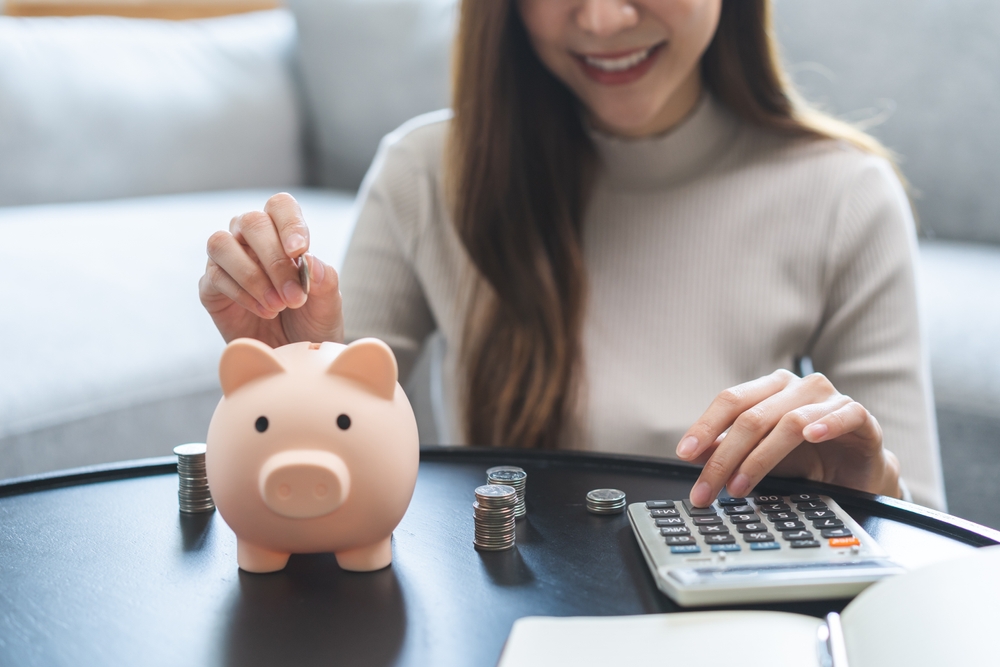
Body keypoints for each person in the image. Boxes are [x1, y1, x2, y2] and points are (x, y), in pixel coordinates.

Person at [198, 0, 945, 510]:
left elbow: (930, 540)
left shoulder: (846, 193)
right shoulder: (425, 172)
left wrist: (870, 482)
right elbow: (328, 500)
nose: (603, 19)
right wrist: (288, 369)